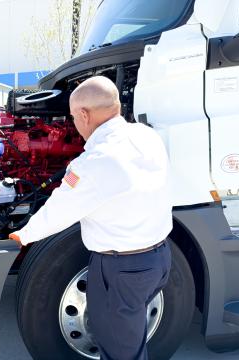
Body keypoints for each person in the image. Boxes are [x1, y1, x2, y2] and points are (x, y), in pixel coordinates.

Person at [9, 76, 172, 360]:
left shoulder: (95, 161)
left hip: (122, 270)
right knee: (129, 335)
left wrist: (23, 235)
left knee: (122, 352)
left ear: (84, 114)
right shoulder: (148, 136)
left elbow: (58, 210)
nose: (74, 124)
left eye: (73, 117)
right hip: (158, 259)